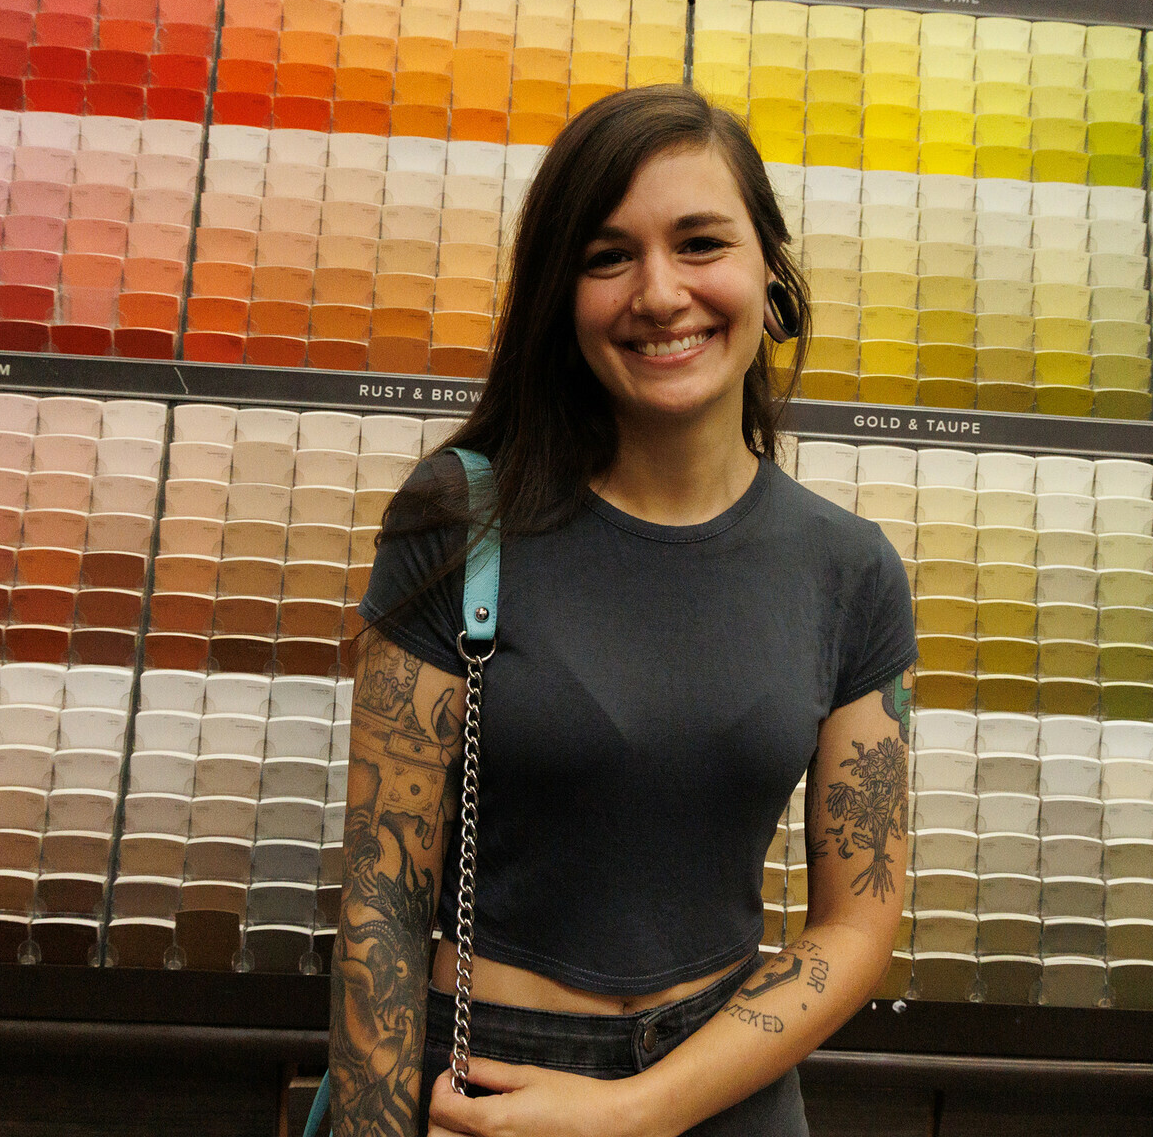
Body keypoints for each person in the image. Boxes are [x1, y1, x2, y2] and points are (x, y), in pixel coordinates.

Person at [327, 83, 918, 1137]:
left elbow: (858, 921)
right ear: (562, 293)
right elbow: (383, 897)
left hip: (723, 1086)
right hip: (483, 1085)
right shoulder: (459, 517)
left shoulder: (851, 570)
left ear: (771, 273)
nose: (659, 292)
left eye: (701, 243)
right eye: (608, 256)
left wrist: (638, 1109)